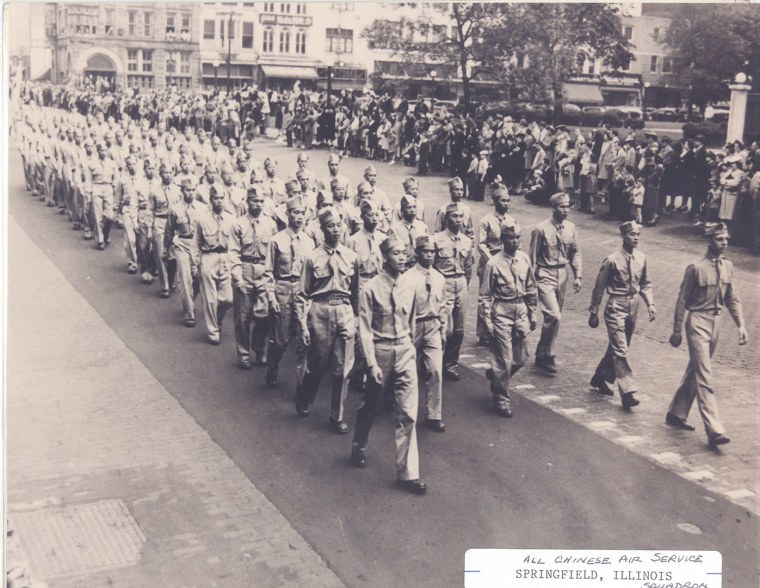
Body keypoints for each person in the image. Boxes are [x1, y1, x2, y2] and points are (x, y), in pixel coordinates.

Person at [350, 234, 427, 495]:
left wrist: (411, 350)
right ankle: (359, 444)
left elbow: (413, 321)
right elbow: (365, 330)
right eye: (396, 253)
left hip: (405, 350)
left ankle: (408, 473)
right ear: (385, 257)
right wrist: (371, 363)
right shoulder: (370, 289)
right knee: (371, 406)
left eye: (404, 252)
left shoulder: (411, 286)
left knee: (407, 413)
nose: (402, 257)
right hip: (381, 352)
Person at [666, 222, 748, 446]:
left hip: (716, 323)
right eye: (720, 239)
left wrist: (741, 325)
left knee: (696, 368)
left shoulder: (728, 266)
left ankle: (676, 412)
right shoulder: (695, 268)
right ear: (709, 240)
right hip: (698, 322)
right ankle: (714, 428)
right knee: (704, 375)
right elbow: (682, 301)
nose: (724, 243)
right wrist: (676, 330)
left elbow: (732, 298)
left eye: (726, 239)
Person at [294, 207, 360, 434]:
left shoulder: (352, 257)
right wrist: (303, 325)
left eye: (338, 225)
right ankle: (303, 397)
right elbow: (302, 295)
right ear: (322, 229)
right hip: (320, 312)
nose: (336, 229)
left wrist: (357, 320)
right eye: (330, 225)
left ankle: (337, 416)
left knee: (343, 370)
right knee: (316, 366)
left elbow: (356, 293)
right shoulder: (312, 258)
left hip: (344, 310)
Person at [588, 221, 656, 409]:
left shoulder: (642, 258)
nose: (635, 238)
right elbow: (599, 288)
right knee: (621, 349)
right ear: (623, 236)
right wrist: (593, 311)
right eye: (631, 234)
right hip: (615, 305)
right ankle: (627, 392)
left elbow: (645, 284)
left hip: (633, 305)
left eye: (638, 235)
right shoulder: (612, 260)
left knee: (618, 346)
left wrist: (650, 303)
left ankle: (600, 377)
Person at [479, 219, 537, 417]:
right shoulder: (493, 264)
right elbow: (485, 296)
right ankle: (501, 398)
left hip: (520, 310)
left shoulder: (524, 259)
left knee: (521, 357)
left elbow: (531, 287)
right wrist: (487, 322)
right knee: (504, 359)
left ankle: (496, 376)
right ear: (503, 239)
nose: (515, 242)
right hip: (501, 311)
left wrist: (532, 312)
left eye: (518, 237)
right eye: (511, 238)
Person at [265, 195, 317, 388]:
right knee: (281, 341)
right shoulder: (276, 241)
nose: (300, 217)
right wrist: (271, 297)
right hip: (283, 290)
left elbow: (312, 272)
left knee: (304, 339)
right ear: (287, 215)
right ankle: (272, 367)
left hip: (302, 292)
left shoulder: (309, 242)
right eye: (296, 212)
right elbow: (268, 272)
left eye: (303, 213)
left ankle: (300, 386)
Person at [529, 192, 582, 374]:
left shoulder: (571, 228)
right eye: (562, 206)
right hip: (545, 273)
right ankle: (548, 354)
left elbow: (575, 252)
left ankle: (542, 354)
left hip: (562, 275)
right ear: (553, 208)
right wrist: (528, 283)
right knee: (554, 315)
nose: (566, 210)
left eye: (568, 206)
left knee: (553, 318)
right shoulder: (541, 229)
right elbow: (532, 258)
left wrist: (578, 276)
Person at [229, 187, 278, 369]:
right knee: (242, 317)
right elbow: (233, 253)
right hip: (245, 269)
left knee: (264, 315)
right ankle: (243, 353)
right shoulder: (238, 225)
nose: (258, 205)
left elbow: (273, 253)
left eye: (260, 201)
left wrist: (273, 276)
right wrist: (237, 277)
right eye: (254, 201)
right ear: (247, 202)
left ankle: (259, 348)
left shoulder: (270, 224)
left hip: (264, 272)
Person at [406, 235, 449, 431]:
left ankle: (433, 415)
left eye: (432, 251)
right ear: (417, 253)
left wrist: (443, 328)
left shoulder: (439, 278)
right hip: (412, 327)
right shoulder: (407, 278)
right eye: (425, 251)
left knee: (435, 370)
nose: (429, 255)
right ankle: (402, 407)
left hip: (432, 327)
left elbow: (443, 305)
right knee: (405, 371)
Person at [432, 202, 474, 381]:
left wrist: (464, 284)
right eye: (454, 216)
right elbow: (432, 267)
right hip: (444, 283)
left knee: (458, 330)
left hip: (461, 284)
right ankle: (433, 362)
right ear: (447, 218)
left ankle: (450, 364)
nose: (458, 220)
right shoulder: (436, 240)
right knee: (444, 329)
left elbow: (469, 267)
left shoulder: (467, 241)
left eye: (460, 217)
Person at [192, 186, 236, 345]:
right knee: (210, 299)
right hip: (208, 258)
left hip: (226, 257)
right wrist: (194, 264)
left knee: (228, 299)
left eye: (222, 198)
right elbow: (196, 244)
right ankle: (213, 331)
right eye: (216, 198)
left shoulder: (232, 219)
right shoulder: (202, 220)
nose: (219, 201)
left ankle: (217, 318)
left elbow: (236, 244)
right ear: (211, 200)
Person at [475, 185, 517, 346]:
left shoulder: (512, 221)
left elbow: (515, 243)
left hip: (506, 265)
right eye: (503, 200)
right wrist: (492, 260)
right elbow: (481, 244)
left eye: (508, 201)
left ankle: (500, 330)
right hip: (488, 263)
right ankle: (483, 333)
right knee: (485, 297)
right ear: (495, 201)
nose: (506, 204)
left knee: (502, 298)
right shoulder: (486, 221)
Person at [164, 178, 205, 327]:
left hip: (198, 246)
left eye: (193, 190)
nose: (191, 193)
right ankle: (189, 313)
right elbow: (168, 231)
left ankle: (189, 299)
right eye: (188, 190)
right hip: (182, 244)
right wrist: (165, 250)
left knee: (199, 279)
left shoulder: (203, 208)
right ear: (182, 191)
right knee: (185, 277)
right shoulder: (175, 209)